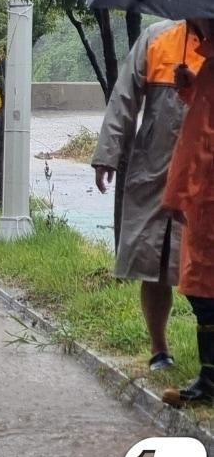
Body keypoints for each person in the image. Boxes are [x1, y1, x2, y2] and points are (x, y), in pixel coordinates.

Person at [93, 19, 207, 371]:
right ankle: (160, 350)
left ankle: (209, 362)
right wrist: (108, 154)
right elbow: (124, 96)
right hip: (155, 169)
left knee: (205, 267)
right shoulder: (157, 38)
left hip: (205, 172)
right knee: (153, 263)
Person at [160, 17, 214, 407]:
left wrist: (181, 193)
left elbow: (203, 143)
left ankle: (210, 381)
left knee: (204, 288)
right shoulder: (208, 64)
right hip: (202, 193)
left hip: (207, 196)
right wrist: (190, 88)